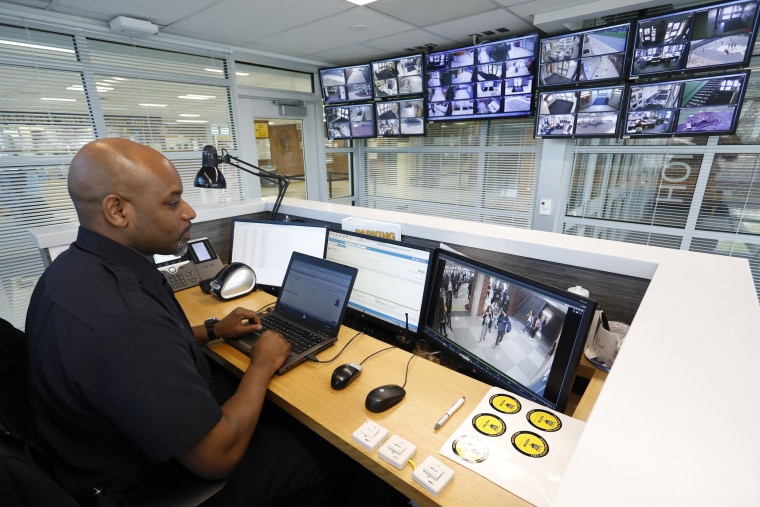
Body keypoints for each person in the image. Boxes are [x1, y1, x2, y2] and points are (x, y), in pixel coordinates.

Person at [24, 138, 328, 506]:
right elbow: (216, 458)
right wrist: (262, 363)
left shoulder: (70, 271)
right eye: (172, 202)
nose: (189, 213)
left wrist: (214, 330)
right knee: (324, 454)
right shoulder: (124, 318)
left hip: (96, 455)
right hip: (154, 484)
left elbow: (145, 355)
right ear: (117, 211)